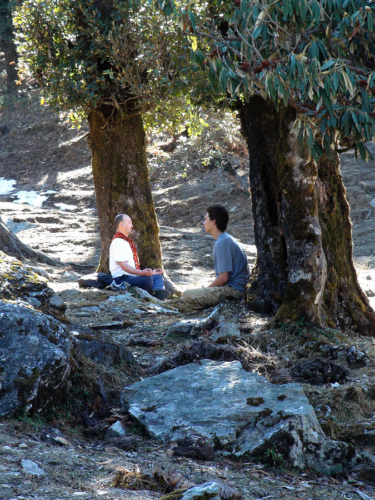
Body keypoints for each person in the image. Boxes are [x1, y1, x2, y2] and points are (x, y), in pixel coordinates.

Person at [182, 204, 249, 310]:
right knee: (187, 298)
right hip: (236, 289)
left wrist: (206, 291)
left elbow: (223, 278)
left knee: (186, 295)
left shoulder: (222, 242)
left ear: (213, 222)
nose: (203, 223)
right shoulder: (226, 239)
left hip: (234, 291)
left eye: (205, 219)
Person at [109, 214, 170, 299]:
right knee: (147, 280)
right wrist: (141, 273)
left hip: (132, 276)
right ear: (121, 224)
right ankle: (152, 293)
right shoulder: (118, 242)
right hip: (121, 279)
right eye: (130, 223)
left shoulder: (125, 242)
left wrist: (150, 273)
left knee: (157, 277)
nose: (132, 225)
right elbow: (123, 265)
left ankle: (158, 294)